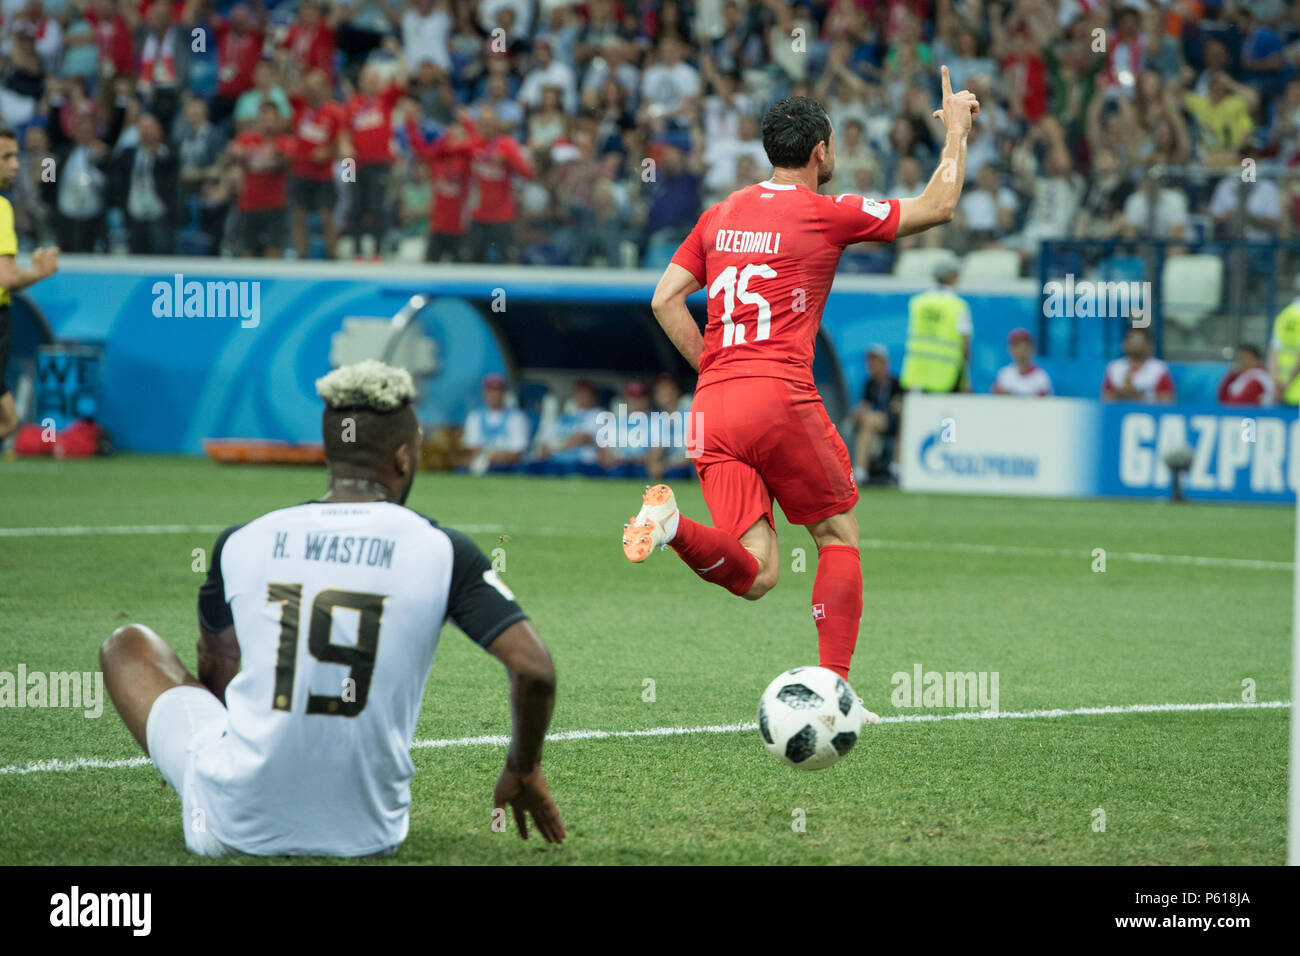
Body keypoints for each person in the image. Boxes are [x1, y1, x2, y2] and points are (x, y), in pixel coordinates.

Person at [98, 360, 564, 856]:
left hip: (230, 828)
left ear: (329, 452)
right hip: (370, 836)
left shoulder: (241, 542)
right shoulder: (444, 551)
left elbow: (220, 667)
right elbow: (534, 669)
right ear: (403, 458)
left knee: (127, 645)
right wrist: (522, 768)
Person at [636, 69, 979, 683]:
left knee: (759, 571)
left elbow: (665, 300)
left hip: (713, 405)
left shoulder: (721, 213)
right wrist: (955, 131)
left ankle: (672, 526)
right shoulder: (826, 212)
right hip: (778, 396)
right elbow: (939, 206)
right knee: (837, 534)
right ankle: (834, 687)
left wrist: (714, 367)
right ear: (821, 151)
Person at [0, 125, 59, 443]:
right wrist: (40, 271)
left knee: (8, 418)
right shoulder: (1, 207)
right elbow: (6, 277)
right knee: (7, 419)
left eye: (16, 156)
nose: (14, 165)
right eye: (6, 157)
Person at [900, 255, 972, 394]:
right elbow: (965, 346)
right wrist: (965, 379)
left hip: (918, 375)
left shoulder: (918, 302)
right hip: (947, 376)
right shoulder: (958, 306)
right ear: (953, 276)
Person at [852, 345, 902, 486]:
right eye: (870, 362)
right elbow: (865, 405)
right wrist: (858, 413)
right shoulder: (869, 384)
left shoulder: (895, 383)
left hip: (893, 422)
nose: (871, 365)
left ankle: (896, 466)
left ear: (884, 363)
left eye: (875, 361)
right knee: (867, 423)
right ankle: (861, 471)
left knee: (871, 420)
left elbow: (898, 405)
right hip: (874, 423)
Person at [461, 372, 529, 473]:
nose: (493, 394)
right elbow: (473, 449)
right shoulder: (474, 416)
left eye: (497, 390)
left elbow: (517, 453)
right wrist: (484, 459)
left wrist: (491, 457)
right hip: (483, 466)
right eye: (490, 390)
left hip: (508, 468)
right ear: (484, 393)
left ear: (503, 393)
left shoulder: (517, 417)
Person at [1101, 326, 1175, 403]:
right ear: (1124, 343)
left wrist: (1136, 395)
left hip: (1148, 413)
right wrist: (1121, 393)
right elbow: (1105, 398)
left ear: (1149, 345)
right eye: (1131, 340)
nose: (1134, 345)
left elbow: (1167, 400)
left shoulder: (1159, 368)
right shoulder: (1114, 367)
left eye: (1139, 341)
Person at [992, 328, 1053, 397]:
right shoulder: (1004, 375)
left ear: (1032, 349)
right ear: (1010, 349)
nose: (1021, 351)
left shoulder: (1041, 377)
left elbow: (1045, 403)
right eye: (1017, 346)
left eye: (1025, 347)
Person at [1268, 278, 1300, 405]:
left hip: (1281, 391)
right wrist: (1287, 384)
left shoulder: (1284, 316)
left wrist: (1275, 384)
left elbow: (1273, 352)